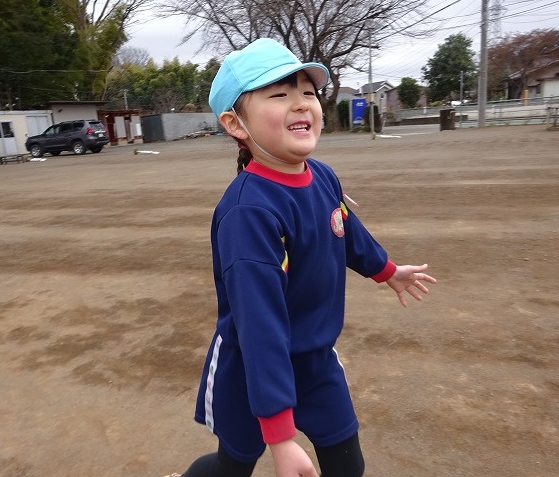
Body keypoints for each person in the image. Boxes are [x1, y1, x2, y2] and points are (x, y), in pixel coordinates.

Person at [172, 38, 436, 477]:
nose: (300, 103)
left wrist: (387, 270)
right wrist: (279, 436)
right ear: (236, 124)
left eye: (308, 92)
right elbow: (259, 325)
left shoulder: (323, 176)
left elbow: (343, 227)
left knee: (348, 464)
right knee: (231, 467)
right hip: (251, 366)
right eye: (279, 94)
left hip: (315, 360)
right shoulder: (248, 213)